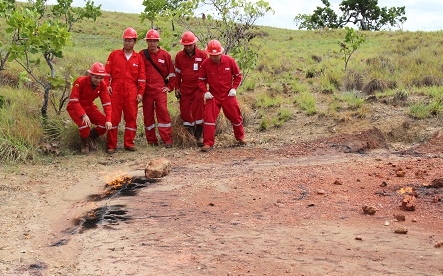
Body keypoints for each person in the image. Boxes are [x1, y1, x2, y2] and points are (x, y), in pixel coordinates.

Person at [198, 39, 246, 152]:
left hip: (228, 94)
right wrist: (205, 92)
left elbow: (238, 76)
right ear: (208, 54)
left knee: (235, 115)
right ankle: (208, 143)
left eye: (217, 55)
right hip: (213, 95)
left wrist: (234, 88)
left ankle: (240, 137)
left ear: (221, 52)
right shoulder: (205, 64)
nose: (214, 57)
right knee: (209, 117)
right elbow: (200, 80)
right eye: (212, 55)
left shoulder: (230, 61)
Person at [104, 27, 146, 154]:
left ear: (135, 42)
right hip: (115, 91)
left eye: (130, 40)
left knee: (131, 118)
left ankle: (129, 143)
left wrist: (140, 93)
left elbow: (142, 77)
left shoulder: (138, 58)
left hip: (131, 91)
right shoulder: (114, 55)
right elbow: (106, 72)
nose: (127, 43)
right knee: (113, 118)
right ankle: (112, 145)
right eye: (126, 40)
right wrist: (107, 85)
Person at [139, 29, 176, 148]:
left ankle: (167, 140)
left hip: (160, 91)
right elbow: (138, 73)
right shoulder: (142, 54)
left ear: (157, 41)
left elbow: (172, 74)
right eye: (150, 41)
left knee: (163, 114)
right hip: (147, 92)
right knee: (148, 116)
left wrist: (170, 87)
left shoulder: (165, 55)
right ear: (147, 41)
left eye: (154, 41)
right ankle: (151, 141)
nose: (152, 43)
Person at [66, 62, 112, 154]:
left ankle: (89, 138)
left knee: (104, 123)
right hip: (75, 107)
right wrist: (83, 115)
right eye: (96, 77)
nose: (98, 80)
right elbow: (74, 100)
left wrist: (108, 119)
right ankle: (84, 144)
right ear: (90, 75)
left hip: (89, 107)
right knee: (85, 124)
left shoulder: (102, 85)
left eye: (101, 78)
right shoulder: (80, 81)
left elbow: (106, 103)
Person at [174, 31, 207, 147]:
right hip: (185, 88)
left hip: (198, 88)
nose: (188, 47)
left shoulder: (202, 55)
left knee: (199, 109)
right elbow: (177, 73)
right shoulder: (179, 56)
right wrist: (177, 87)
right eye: (185, 45)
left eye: (190, 45)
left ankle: (199, 135)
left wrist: (204, 89)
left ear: (194, 43)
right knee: (185, 111)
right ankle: (189, 134)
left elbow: (205, 74)